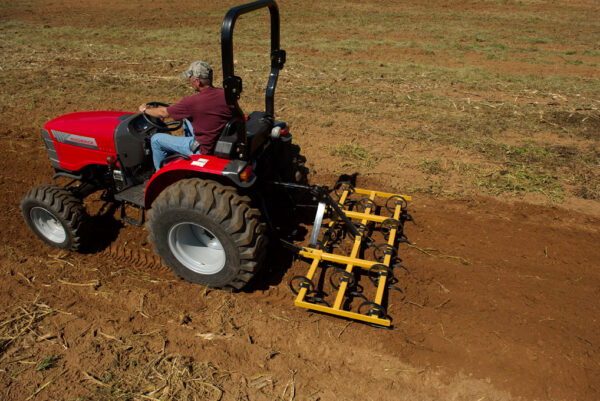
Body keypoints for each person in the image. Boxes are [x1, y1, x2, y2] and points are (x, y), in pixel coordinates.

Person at [139, 61, 233, 170]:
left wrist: (145, 109)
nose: (189, 81)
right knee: (188, 121)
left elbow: (164, 113)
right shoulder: (225, 94)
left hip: (202, 149)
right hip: (216, 139)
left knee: (156, 139)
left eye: (190, 78)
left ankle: (161, 173)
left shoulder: (192, 102)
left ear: (197, 81)